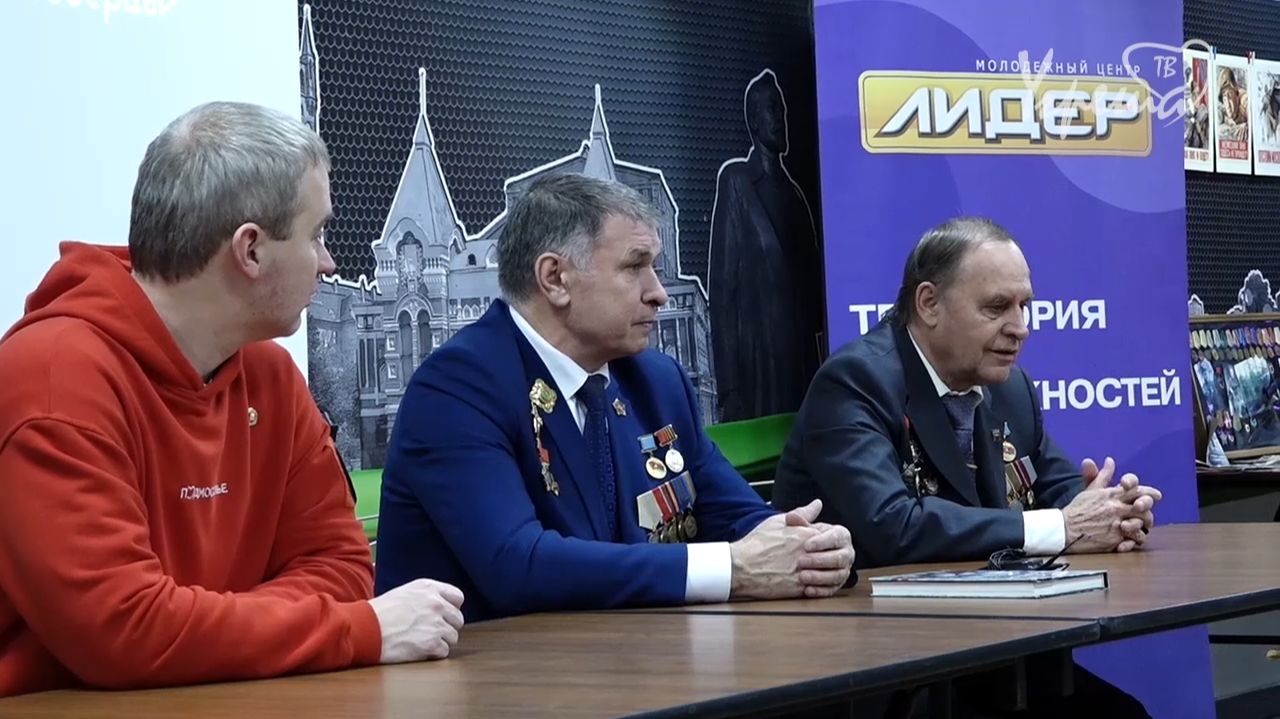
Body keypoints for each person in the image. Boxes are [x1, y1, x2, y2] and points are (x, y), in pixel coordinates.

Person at [0, 102, 463, 697]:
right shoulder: (52, 380)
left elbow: (342, 569)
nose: (329, 263)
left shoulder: (270, 376)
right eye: (317, 235)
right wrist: (359, 631)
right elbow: (123, 631)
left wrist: (202, 629)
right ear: (251, 251)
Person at [375, 174, 854, 622]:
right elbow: (518, 566)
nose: (659, 293)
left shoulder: (657, 381)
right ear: (555, 278)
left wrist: (807, 549)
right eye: (635, 267)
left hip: (637, 659)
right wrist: (731, 569)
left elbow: (736, 516)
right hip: (496, 676)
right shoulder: (457, 390)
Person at [772, 216, 1159, 717]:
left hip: (990, 648)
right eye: (997, 307)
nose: (1020, 328)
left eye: (1024, 306)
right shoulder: (856, 382)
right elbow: (893, 526)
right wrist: (1063, 526)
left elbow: (1061, 488)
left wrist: (1116, 511)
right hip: (883, 667)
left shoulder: (1009, 387)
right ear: (929, 304)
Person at [708, 70, 822, 422]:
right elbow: (722, 293)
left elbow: (816, 299)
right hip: (758, 366)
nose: (781, 118)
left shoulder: (795, 196)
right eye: (773, 109)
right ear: (754, 121)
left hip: (801, 368)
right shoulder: (737, 183)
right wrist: (729, 388)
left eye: (783, 110)